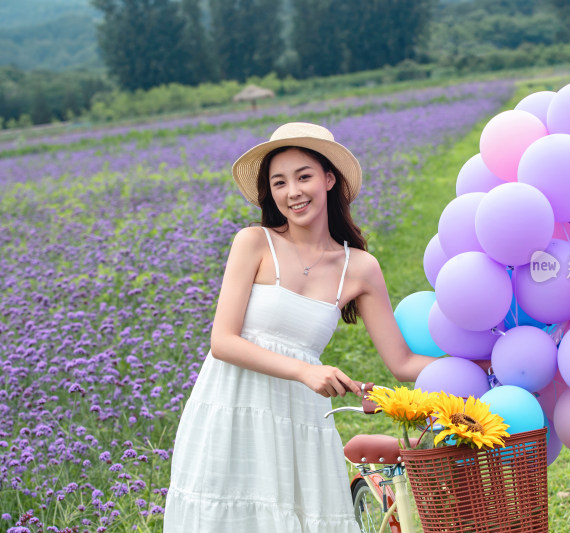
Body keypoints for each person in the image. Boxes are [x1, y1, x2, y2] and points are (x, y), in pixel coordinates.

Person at [162, 122, 435, 532]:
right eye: (279, 182)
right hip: (232, 404)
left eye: (304, 176)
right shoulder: (253, 242)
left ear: (329, 179)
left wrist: (478, 361)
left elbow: (402, 361)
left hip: (299, 419)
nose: (293, 192)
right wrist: (307, 370)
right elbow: (223, 341)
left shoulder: (359, 268)